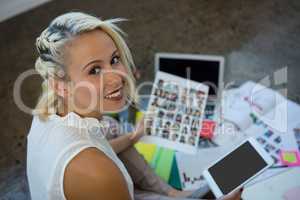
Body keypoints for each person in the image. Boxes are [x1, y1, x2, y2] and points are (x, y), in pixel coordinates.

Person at [26, 12, 243, 200]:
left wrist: (134, 136)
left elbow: (100, 146)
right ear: (61, 85)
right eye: (94, 70)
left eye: (114, 60)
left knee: (110, 127)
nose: (117, 78)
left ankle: (171, 193)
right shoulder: (98, 174)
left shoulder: (51, 109)